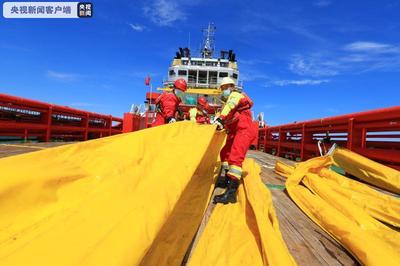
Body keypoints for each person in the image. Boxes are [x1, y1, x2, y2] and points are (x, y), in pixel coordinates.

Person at [212, 77, 257, 204]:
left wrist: (220, 118)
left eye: (225, 88)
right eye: (223, 89)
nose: (224, 91)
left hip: (244, 131)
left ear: (230, 87)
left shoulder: (235, 96)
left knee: (235, 159)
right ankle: (227, 180)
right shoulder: (229, 103)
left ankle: (231, 193)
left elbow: (230, 107)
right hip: (235, 132)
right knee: (224, 153)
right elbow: (229, 117)